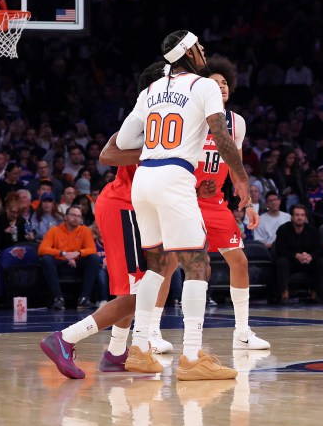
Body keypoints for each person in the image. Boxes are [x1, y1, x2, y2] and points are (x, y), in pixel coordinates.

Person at [115, 29, 251, 381]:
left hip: (144, 177)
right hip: (175, 178)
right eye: (201, 48)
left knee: (157, 265)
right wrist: (240, 177)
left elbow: (126, 140)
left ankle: (140, 349)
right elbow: (220, 135)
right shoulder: (202, 86)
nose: (204, 53)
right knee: (198, 264)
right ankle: (192, 357)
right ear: (190, 52)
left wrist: (157, 148)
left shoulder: (151, 90)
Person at [39, 67, 181, 379]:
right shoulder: (144, 118)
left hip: (141, 208)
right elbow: (107, 154)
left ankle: (117, 351)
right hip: (124, 206)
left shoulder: (175, 119)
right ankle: (65, 338)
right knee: (138, 291)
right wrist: (153, 150)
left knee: (146, 282)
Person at [193, 56, 268, 350]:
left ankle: (242, 331)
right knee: (174, 264)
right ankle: (154, 333)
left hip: (216, 203)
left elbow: (235, 166)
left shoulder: (236, 123)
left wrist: (247, 202)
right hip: (187, 199)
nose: (221, 87)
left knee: (240, 260)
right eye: (214, 83)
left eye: (224, 82)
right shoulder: (192, 118)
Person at [38, 206, 103, 310]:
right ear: (65, 217)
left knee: (94, 258)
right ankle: (58, 298)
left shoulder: (85, 230)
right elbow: (42, 249)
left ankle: (84, 298)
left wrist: (77, 253)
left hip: (77, 263)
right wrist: (62, 253)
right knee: (46, 258)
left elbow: (92, 249)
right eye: (73, 215)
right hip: (59, 262)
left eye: (78, 216)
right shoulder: (54, 230)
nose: (76, 218)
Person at [273, 204, 323, 303]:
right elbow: (280, 250)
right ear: (292, 217)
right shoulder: (283, 229)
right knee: (281, 262)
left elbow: (319, 249)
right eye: (297, 215)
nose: (299, 217)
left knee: (322, 263)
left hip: (307, 262)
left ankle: (315, 295)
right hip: (291, 262)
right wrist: (296, 255)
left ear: (305, 217)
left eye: (302, 215)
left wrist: (310, 256)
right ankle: (284, 295)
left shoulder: (312, 230)